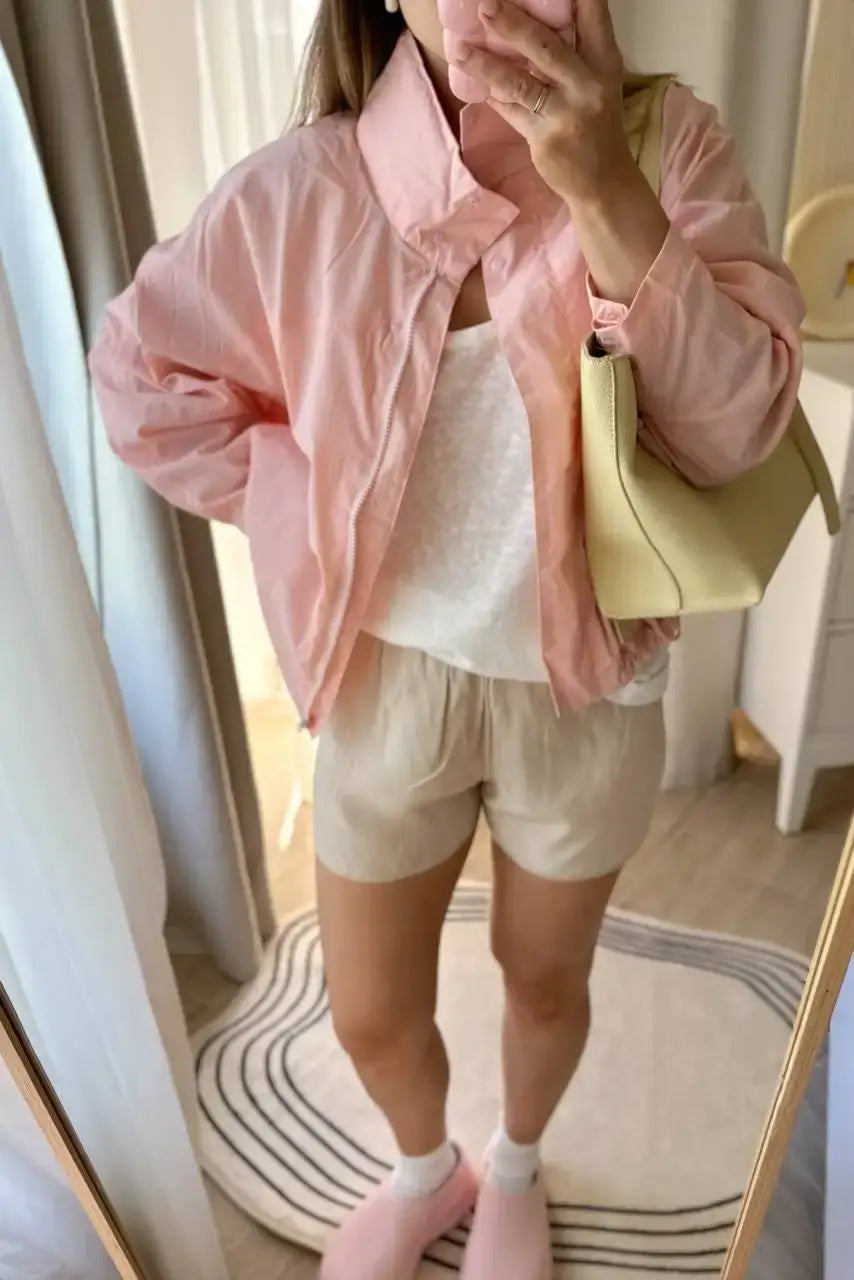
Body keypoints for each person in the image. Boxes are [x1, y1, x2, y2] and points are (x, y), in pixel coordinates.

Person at [89, 1, 804, 1275]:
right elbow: (141, 380)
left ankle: (516, 1162)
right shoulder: (302, 190)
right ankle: (427, 1169)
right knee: (367, 1009)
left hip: (585, 683)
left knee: (544, 979)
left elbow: (738, 429)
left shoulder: (669, 145)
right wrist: (300, 501)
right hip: (388, 674)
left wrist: (604, 190)